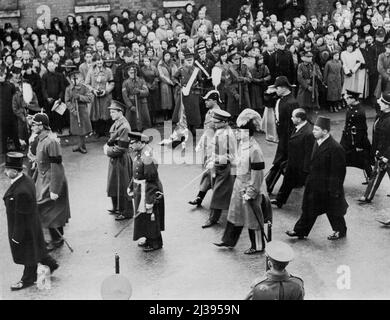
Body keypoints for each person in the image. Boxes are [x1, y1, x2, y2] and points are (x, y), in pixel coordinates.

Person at [214, 109, 268, 254]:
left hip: (250, 187)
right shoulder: (242, 144)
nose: (237, 133)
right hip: (239, 184)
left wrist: (251, 192)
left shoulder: (255, 149)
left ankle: (257, 246)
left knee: (253, 219)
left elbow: (258, 175)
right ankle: (228, 240)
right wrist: (228, 160)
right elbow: (239, 162)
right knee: (234, 213)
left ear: (247, 132)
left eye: (240, 131)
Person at [286, 116, 349, 240]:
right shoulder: (317, 142)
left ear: (325, 132)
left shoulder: (335, 148)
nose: (313, 131)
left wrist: (334, 190)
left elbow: (339, 172)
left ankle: (340, 230)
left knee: (333, 211)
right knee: (309, 208)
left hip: (328, 187)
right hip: (315, 184)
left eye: (316, 129)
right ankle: (300, 230)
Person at [3, 152, 59, 291]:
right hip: (32, 224)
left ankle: (27, 279)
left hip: (24, 228)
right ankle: (51, 264)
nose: (5, 172)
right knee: (36, 247)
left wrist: (16, 237)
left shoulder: (20, 191)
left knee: (28, 252)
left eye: (7, 170)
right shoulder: (26, 180)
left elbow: (20, 218)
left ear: (15, 171)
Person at [31, 113, 71, 251]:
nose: (33, 126)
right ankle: (54, 237)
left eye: (35, 124)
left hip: (53, 179)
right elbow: (39, 163)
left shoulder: (51, 142)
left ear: (42, 125)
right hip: (43, 179)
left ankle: (57, 239)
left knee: (51, 210)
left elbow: (57, 166)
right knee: (47, 209)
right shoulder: (40, 139)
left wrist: (55, 189)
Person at [128, 132, 165, 252]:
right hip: (141, 189)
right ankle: (149, 239)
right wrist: (131, 186)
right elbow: (136, 174)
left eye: (132, 143)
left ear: (140, 143)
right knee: (144, 216)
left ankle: (156, 243)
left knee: (151, 217)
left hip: (148, 190)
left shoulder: (147, 155)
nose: (130, 145)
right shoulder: (140, 153)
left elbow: (151, 179)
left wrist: (150, 199)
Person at [271, 108, 315, 208]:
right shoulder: (299, 127)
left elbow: (309, 153)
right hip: (293, 162)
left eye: (293, 117)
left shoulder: (308, 133)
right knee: (287, 182)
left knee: (308, 187)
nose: (291, 118)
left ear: (299, 119)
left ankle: (311, 206)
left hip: (300, 166)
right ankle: (279, 201)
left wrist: (305, 169)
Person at [202, 109, 236, 228]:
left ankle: (213, 218)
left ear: (225, 122)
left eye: (217, 122)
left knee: (218, 194)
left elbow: (231, 155)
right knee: (221, 192)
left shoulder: (228, 135)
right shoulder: (220, 130)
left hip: (225, 168)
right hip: (217, 167)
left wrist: (215, 160)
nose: (214, 124)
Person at [265, 76, 298, 194]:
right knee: (286, 163)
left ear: (284, 88)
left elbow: (294, 124)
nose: (276, 90)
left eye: (277, 88)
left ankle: (268, 186)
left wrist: (289, 140)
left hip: (288, 138)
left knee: (279, 162)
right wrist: (269, 92)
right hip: (283, 136)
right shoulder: (281, 98)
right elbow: (268, 102)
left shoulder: (292, 103)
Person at [189, 90, 221, 206]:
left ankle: (207, 198)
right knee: (208, 173)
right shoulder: (210, 111)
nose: (206, 102)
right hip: (208, 148)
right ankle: (200, 197)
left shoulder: (218, 114)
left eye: (208, 100)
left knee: (214, 175)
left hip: (215, 149)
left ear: (215, 100)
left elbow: (220, 133)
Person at [103, 100, 134, 220]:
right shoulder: (117, 123)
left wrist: (107, 151)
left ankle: (126, 211)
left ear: (120, 112)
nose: (111, 114)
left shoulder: (124, 127)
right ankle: (116, 207)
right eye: (110, 112)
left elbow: (121, 148)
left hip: (121, 159)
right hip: (115, 159)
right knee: (114, 184)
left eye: (113, 112)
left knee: (123, 185)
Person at [359, 92, 390, 204]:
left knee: (376, 174)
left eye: (381, 101)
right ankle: (367, 196)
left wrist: (386, 156)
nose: (378, 102)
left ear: (387, 105)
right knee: (375, 174)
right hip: (380, 153)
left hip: (386, 155)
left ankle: (367, 196)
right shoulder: (381, 115)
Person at [340, 89, 373, 183]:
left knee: (363, 159)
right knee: (341, 158)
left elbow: (362, 130)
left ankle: (371, 178)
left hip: (356, 140)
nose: (345, 99)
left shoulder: (359, 112)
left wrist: (359, 145)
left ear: (353, 99)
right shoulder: (351, 107)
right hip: (347, 138)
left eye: (347, 98)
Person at [85, 54, 115, 137]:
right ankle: (98, 131)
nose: (99, 62)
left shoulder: (108, 71)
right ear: (95, 61)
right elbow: (87, 84)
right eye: (97, 60)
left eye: (101, 60)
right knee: (96, 113)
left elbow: (112, 83)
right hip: (95, 96)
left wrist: (106, 91)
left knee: (106, 112)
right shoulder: (91, 71)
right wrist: (93, 90)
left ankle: (107, 131)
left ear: (103, 61)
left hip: (105, 96)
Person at [64, 70, 94, 153]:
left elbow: (90, 98)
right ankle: (79, 145)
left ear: (80, 78)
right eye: (72, 79)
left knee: (83, 130)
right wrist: (73, 110)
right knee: (77, 130)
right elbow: (67, 101)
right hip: (74, 111)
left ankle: (82, 146)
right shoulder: (69, 89)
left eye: (76, 78)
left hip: (83, 110)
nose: (75, 81)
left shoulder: (84, 88)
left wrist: (80, 97)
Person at [296, 51, 323, 118]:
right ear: (304, 58)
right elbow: (299, 78)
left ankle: (311, 121)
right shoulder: (300, 66)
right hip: (304, 89)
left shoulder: (315, 65)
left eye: (311, 57)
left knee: (312, 107)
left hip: (313, 87)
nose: (310, 58)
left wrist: (316, 75)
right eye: (308, 57)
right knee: (303, 106)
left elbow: (320, 76)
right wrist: (307, 86)